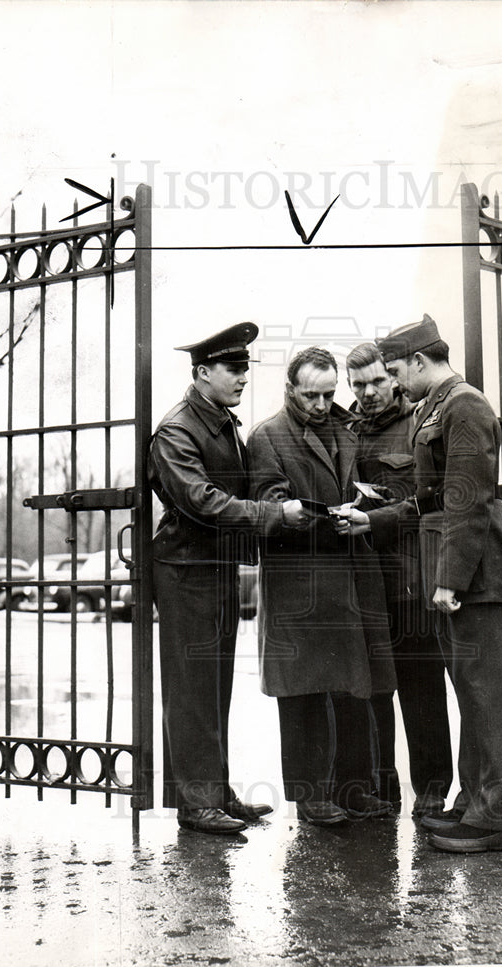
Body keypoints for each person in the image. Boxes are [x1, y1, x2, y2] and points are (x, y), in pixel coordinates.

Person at [335, 315, 502, 853]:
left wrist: (449, 580)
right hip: (462, 576)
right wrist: (372, 520)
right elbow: (429, 497)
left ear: (419, 362)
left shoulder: (464, 403)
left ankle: (500, 822)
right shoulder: (437, 406)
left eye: (396, 371)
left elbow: (467, 498)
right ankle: (474, 804)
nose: (394, 384)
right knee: (472, 695)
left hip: (479, 578)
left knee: (488, 699)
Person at [148, 321, 307, 835]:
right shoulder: (177, 430)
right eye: (232, 369)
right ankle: (195, 804)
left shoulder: (218, 420)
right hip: (184, 571)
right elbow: (200, 501)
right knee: (191, 688)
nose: (242, 378)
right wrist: (273, 515)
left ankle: (215, 792)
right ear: (201, 373)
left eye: (244, 369)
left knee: (213, 687)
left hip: (211, 568)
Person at [247, 346, 397, 826]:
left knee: (354, 688)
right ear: (290, 389)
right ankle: (310, 798)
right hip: (302, 585)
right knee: (304, 695)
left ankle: (353, 790)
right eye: (310, 394)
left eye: (329, 393)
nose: (320, 403)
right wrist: (329, 518)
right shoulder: (267, 437)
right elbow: (270, 505)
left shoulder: (343, 427)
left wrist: (367, 502)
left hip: (350, 579)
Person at [345, 342, 453, 817]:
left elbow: (428, 502)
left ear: (392, 378)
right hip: (362, 580)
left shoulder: (419, 423)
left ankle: (432, 790)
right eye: (358, 385)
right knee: (370, 689)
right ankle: (379, 789)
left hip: (409, 575)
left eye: (376, 381)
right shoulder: (344, 430)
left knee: (420, 685)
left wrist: (379, 518)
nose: (368, 392)